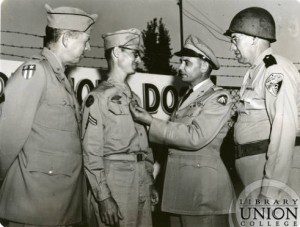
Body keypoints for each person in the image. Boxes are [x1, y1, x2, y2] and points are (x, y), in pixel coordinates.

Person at [0, 4, 97, 226]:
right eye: (85, 40)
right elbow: (6, 138)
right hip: (33, 206)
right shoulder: (36, 73)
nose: (89, 47)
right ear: (66, 39)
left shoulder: (60, 79)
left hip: (58, 207)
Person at [130, 35, 235, 227]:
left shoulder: (218, 98)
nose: (180, 68)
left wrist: (151, 121)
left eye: (187, 63)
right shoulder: (187, 97)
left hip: (203, 195)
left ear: (204, 66)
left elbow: (195, 137)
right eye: (181, 62)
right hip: (180, 192)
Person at [81, 28, 158, 227]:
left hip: (140, 178)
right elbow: (91, 152)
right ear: (116, 53)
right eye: (134, 53)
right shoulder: (97, 98)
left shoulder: (134, 98)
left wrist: (149, 182)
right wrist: (104, 197)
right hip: (115, 181)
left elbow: (145, 147)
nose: (138, 59)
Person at [224, 7, 300, 199]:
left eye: (235, 39)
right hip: (256, 177)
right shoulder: (254, 72)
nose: (231, 47)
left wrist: (270, 191)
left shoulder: (274, 71)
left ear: (253, 38)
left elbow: (284, 131)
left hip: (273, 183)